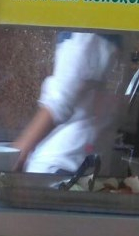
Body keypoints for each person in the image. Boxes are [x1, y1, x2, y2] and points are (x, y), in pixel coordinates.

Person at [13, 32, 126, 173]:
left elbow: (60, 99)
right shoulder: (97, 37)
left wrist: (18, 153)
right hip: (76, 160)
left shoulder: (87, 34)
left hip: (61, 165)